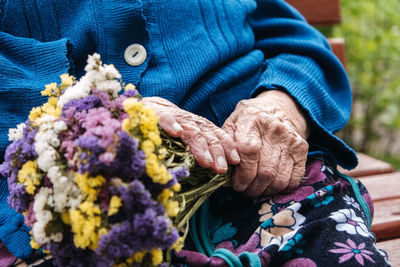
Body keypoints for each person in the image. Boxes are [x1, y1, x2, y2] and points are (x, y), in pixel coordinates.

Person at [0, 0, 390, 266]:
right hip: (80, 204)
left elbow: (299, 44)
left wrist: (281, 103)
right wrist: (99, 116)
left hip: (261, 180)